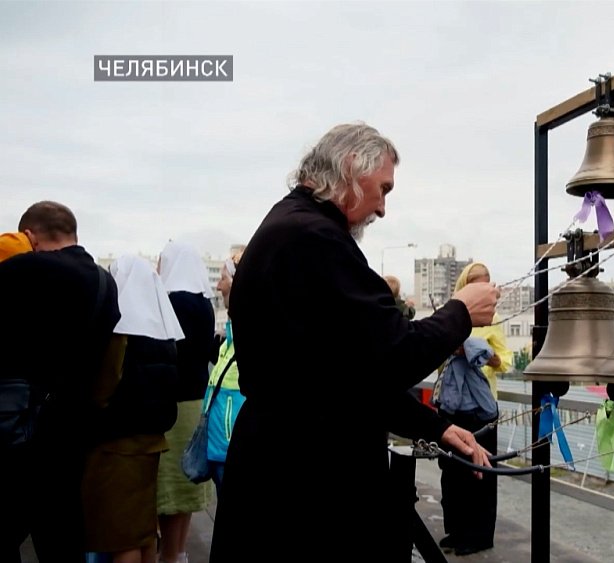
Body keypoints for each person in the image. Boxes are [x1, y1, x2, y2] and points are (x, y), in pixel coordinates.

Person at [210, 122, 499, 562]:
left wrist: (435, 426)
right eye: (383, 188)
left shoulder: (291, 227)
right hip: (309, 481)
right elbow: (392, 355)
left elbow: (344, 373)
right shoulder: (314, 237)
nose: (382, 208)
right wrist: (460, 312)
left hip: (279, 462)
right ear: (350, 167)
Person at [0, 201, 121, 562]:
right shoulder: (105, 281)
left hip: (16, 432)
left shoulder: (22, 270)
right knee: (62, 539)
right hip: (72, 433)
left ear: (30, 236)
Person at [82, 255, 184, 563]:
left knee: (119, 535)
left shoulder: (120, 333)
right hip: (152, 443)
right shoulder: (163, 332)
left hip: (116, 446)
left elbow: (103, 388)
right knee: (142, 530)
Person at [437, 262, 512, 555]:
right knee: (452, 473)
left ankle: (478, 536)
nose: (485, 288)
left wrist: (480, 353)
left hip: (481, 411)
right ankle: (456, 531)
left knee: (480, 474)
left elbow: (504, 361)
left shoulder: (495, 320)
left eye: (487, 282)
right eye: (476, 283)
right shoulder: (450, 316)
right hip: (453, 408)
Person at [156, 240, 217, 563]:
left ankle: (168, 554)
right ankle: (178, 552)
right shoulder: (203, 302)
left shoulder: (173, 301)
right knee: (185, 482)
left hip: (173, 402)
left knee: (170, 483)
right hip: (195, 398)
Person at [203, 248, 246, 494]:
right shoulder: (231, 334)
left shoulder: (250, 335)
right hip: (222, 450)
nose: (218, 286)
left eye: (223, 278)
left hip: (234, 452)